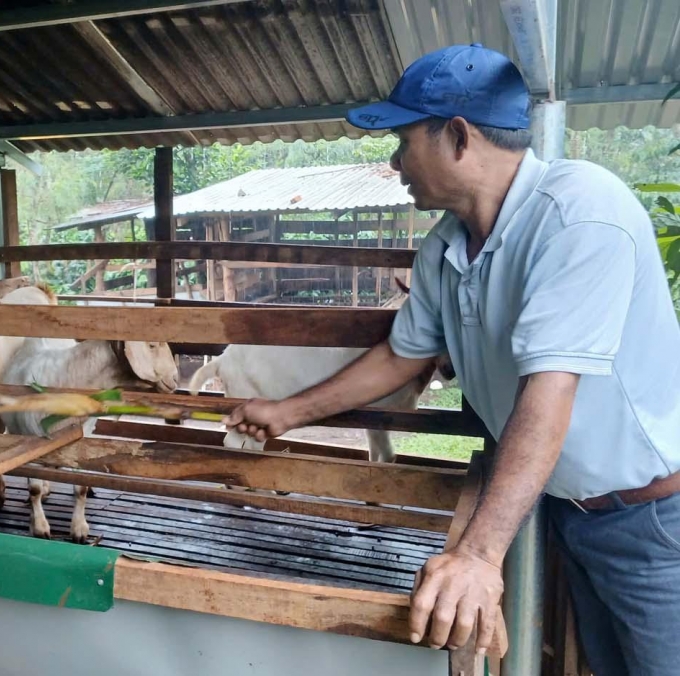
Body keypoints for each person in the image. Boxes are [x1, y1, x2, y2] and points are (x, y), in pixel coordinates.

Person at [223, 43, 680, 675]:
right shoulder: (444, 249)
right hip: (574, 514)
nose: (395, 161)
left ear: (457, 136)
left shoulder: (578, 213)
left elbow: (549, 392)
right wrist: (286, 412)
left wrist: (478, 555)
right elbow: (401, 356)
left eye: (404, 141)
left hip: (657, 522)